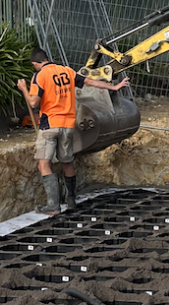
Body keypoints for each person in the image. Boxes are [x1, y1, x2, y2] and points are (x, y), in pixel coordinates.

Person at [17, 49, 130, 212]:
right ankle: (71, 200)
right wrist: (114, 87)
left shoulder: (40, 76)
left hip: (49, 125)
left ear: (35, 63)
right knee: (67, 162)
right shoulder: (67, 71)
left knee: (44, 164)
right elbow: (90, 82)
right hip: (68, 125)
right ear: (48, 58)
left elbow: (34, 103)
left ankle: (53, 206)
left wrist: (23, 89)